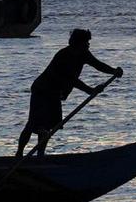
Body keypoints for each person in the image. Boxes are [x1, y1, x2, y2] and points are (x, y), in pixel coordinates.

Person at [16, 29, 123, 157]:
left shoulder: (84, 53)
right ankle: (19, 154)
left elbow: (98, 65)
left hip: (55, 93)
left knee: (48, 127)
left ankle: (40, 155)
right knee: (33, 123)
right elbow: (71, 80)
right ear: (78, 42)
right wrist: (90, 90)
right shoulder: (64, 55)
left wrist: (113, 71)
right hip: (42, 90)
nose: (88, 45)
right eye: (86, 42)